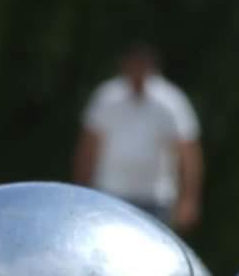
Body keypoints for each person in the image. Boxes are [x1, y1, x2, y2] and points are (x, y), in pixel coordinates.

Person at [73, 44, 202, 230]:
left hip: (156, 199)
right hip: (111, 193)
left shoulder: (171, 101)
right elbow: (88, 147)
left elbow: (188, 152)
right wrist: (81, 191)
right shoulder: (107, 97)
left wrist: (188, 199)